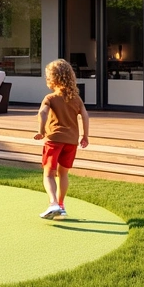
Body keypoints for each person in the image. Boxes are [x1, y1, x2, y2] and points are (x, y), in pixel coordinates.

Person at [34, 58, 90, 219]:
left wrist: (41, 130)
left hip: (54, 140)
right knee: (63, 174)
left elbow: (42, 113)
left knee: (48, 174)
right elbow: (85, 116)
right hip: (71, 142)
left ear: (53, 79)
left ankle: (53, 204)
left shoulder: (50, 98)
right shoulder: (76, 99)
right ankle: (61, 205)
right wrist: (85, 136)